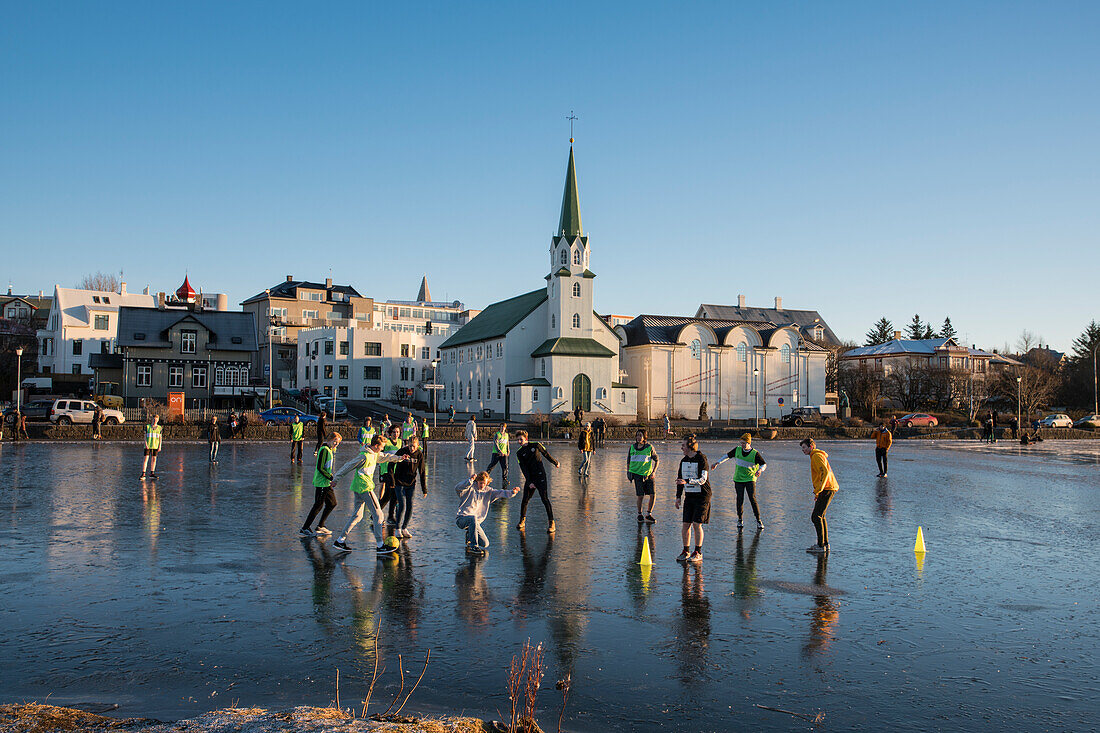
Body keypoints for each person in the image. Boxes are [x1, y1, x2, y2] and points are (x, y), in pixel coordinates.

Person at [329, 433, 407, 553]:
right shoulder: (364, 456)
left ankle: (340, 541)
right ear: (376, 446)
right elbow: (348, 466)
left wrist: (400, 458)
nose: (382, 449)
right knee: (378, 515)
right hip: (364, 487)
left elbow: (386, 456)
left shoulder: (374, 454)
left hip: (358, 488)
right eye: (381, 447)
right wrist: (336, 479)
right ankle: (380, 545)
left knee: (357, 516)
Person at [455, 470, 519, 554]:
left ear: (487, 483)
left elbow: (500, 492)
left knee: (485, 544)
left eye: (484, 483)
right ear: (477, 481)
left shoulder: (488, 491)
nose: (482, 485)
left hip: (475, 523)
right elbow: (458, 488)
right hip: (462, 519)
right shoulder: (469, 489)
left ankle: (469, 534)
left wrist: (512, 492)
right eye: (480, 483)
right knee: (472, 518)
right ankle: (473, 546)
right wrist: (469, 481)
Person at [714, 433, 766, 529]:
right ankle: (740, 519)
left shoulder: (755, 453)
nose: (742, 445)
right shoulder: (737, 449)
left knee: (752, 499)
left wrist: (760, 470)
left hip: (750, 478)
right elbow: (727, 456)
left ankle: (758, 520)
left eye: (744, 443)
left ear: (749, 443)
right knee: (739, 499)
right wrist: (718, 462)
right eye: (741, 443)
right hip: (738, 479)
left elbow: (763, 464)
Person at [675, 434, 711, 563]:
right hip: (690, 495)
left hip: (702, 495)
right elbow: (680, 480)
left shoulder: (701, 459)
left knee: (697, 524)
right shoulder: (683, 461)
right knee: (686, 524)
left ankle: (698, 552)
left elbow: (703, 479)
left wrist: (687, 481)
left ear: (690, 446)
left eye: (683, 445)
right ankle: (686, 551)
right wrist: (678, 497)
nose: (681, 448)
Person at [515, 429, 559, 532]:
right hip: (530, 478)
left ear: (526, 438)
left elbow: (546, 454)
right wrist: (529, 482)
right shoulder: (519, 453)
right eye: (518, 440)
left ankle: (552, 523)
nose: (519, 442)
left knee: (544, 499)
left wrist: (555, 462)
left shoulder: (536, 445)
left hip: (540, 476)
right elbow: (523, 468)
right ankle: (522, 520)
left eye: (521, 439)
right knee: (525, 500)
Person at [299, 432, 343, 537]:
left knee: (332, 503)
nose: (336, 444)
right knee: (318, 505)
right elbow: (320, 467)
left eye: (338, 443)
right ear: (330, 439)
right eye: (335, 441)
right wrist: (331, 477)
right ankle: (305, 528)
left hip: (326, 483)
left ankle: (320, 526)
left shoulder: (330, 450)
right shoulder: (324, 450)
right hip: (322, 483)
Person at [800, 438, 838, 555]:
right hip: (827, 488)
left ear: (811, 446)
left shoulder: (816, 456)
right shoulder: (815, 456)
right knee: (820, 516)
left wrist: (819, 490)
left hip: (827, 488)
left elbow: (825, 472)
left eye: (804, 448)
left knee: (816, 517)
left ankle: (821, 545)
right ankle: (824, 544)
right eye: (802, 449)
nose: (803, 450)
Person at [393, 434, 427, 538]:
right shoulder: (402, 451)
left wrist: (424, 489)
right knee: (402, 505)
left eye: (414, 446)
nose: (411, 448)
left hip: (411, 484)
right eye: (410, 446)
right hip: (399, 483)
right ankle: (397, 528)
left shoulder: (419, 455)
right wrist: (391, 479)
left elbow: (422, 472)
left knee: (410, 506)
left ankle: (404, 528)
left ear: (417, 446)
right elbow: (391, 462)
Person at [626, 429, 659, 523]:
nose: (638, 437)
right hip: (637, 475)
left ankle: (649, 514)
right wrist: (628, 472)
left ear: (644, 437)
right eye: (637, 435)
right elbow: (628, 461)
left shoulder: (649, 447)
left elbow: (657, 460)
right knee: (640, 496)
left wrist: (654, 472)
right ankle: (639, 514)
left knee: (653, 494)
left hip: (648, 475)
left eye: (640, 435)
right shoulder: (632, 447)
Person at [378, 425, 403, 525]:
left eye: (397, 432)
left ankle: (378, 514)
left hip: (395, 471)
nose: (396, 434)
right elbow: (379, 454)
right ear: (390, 433)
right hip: (386, 471)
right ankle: (389, 516)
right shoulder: (386, 442)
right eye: (394, 432)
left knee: (390, 495)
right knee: (391, 494)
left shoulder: (400, 442)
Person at [140, 414, 163, 479]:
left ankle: (152, 473)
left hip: (155, 446)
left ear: (158, 420)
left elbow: (160, 438)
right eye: (154, 419)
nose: (155, 421)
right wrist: (146, 444)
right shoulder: (147, 427)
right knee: (146, 459)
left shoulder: (159, 428)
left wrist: (160, 446)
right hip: (148, 445)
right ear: (152, 419)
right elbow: (145, 436)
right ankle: (143, 473)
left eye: (156, 420)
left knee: (154, 459)